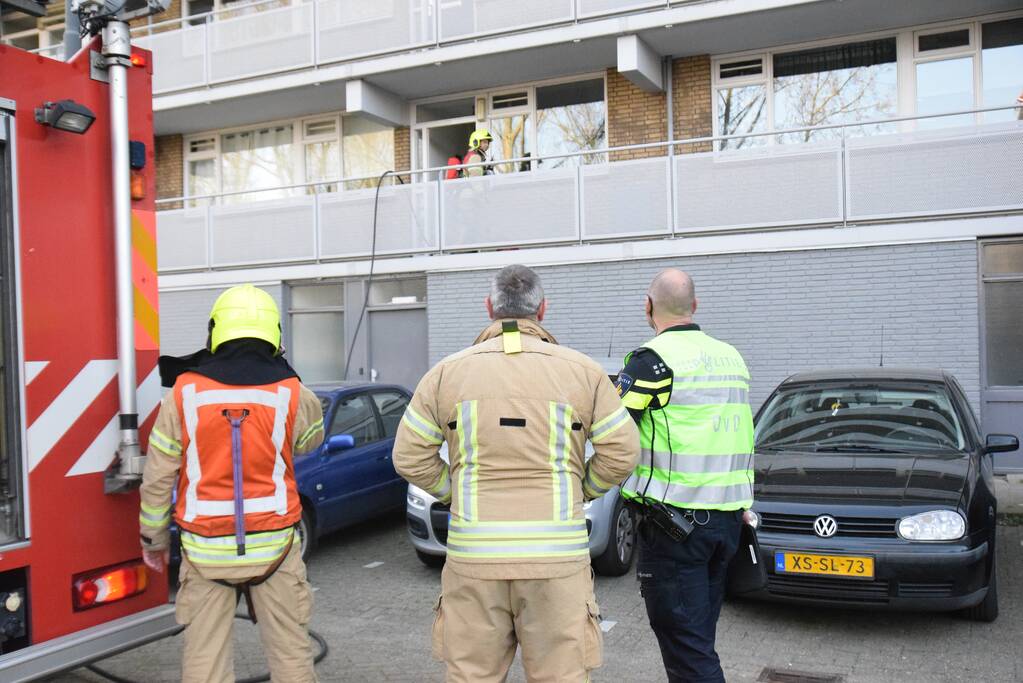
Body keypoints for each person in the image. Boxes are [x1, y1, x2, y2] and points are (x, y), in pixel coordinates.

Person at [393, 264, 639, 683]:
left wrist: (452, 493)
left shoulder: (446, 374)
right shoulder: (584, 373)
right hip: (556, 563)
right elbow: (624, 451)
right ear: (542, 309)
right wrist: (584, 489)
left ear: (490, 307)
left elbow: (408, 456)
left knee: (472, 676)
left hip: (474, 559)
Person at [139, 284, 325, 683]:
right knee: (291, 656)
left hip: (205, 552)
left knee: (205, 662)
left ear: (215, 331)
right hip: (275, 549)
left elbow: (157, 475)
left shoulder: (183, 392)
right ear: (274, 333)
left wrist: (153, 539)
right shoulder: (293, 391)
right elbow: (310, 442)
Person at [616, 269, 754, 683]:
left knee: (689, 651)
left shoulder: (651, 362)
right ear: (695, 306)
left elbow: (614, 432)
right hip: (727, 524)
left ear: (648, 306)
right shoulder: (732, 357)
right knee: (698, 639)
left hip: (676, 529)